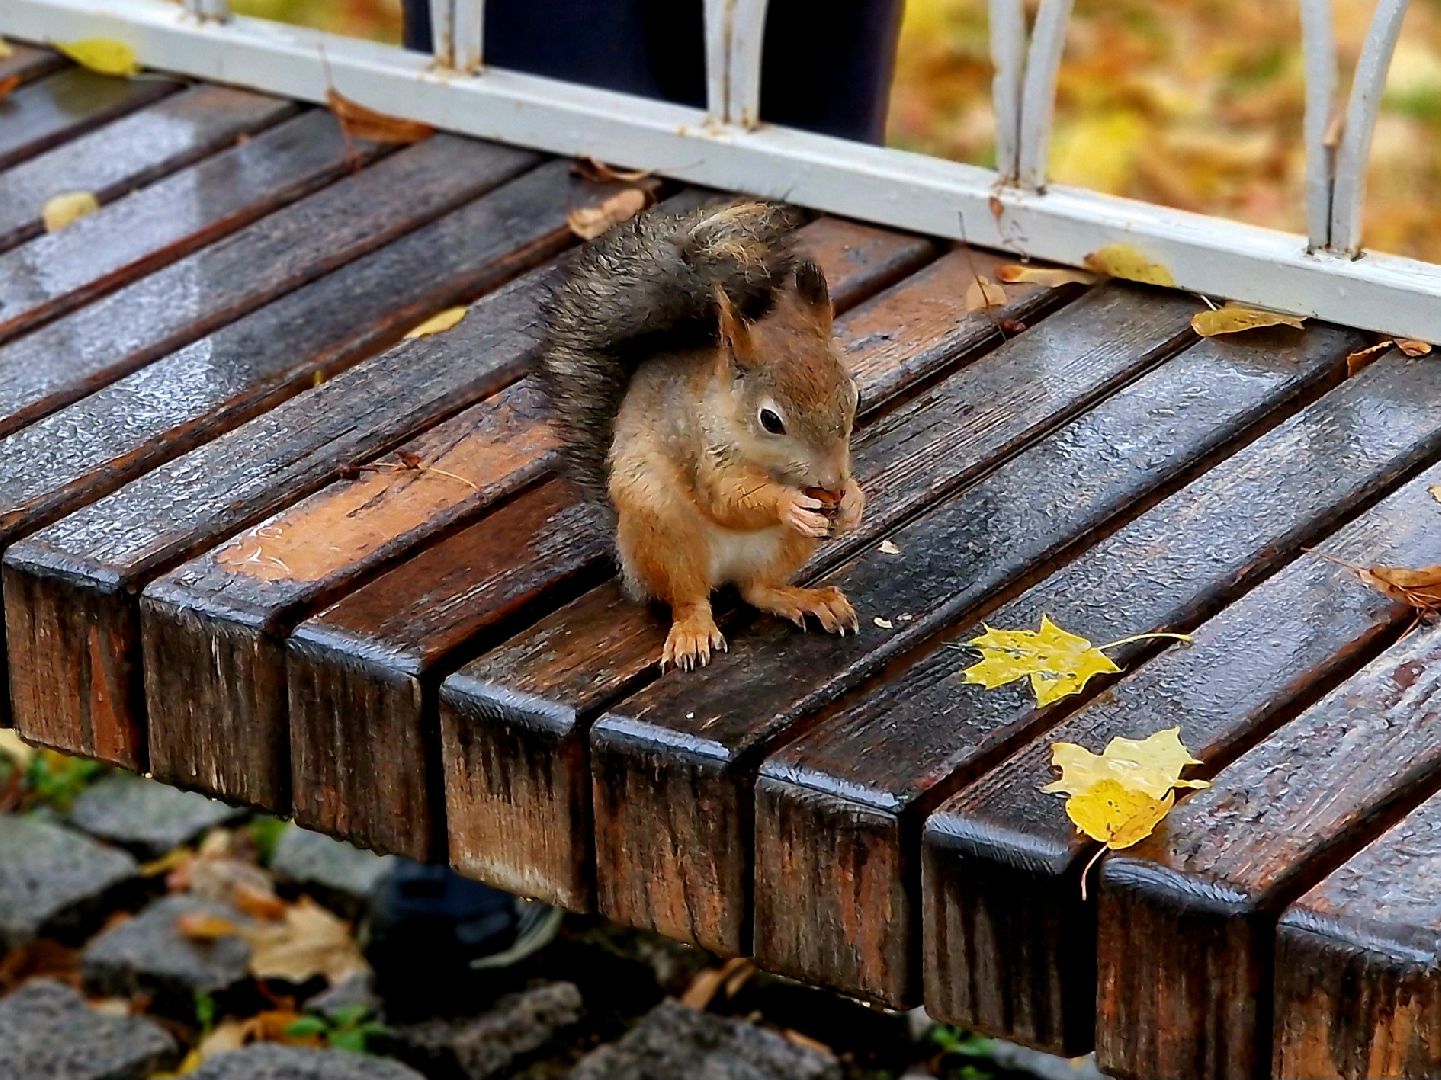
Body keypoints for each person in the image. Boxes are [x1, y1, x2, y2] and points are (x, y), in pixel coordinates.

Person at [365, 0, 902, 995]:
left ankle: (810, 841)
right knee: (559, 121)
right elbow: (713, 480)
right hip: (681, 489)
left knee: (800, 164)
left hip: (751, 443)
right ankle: (467, 824)